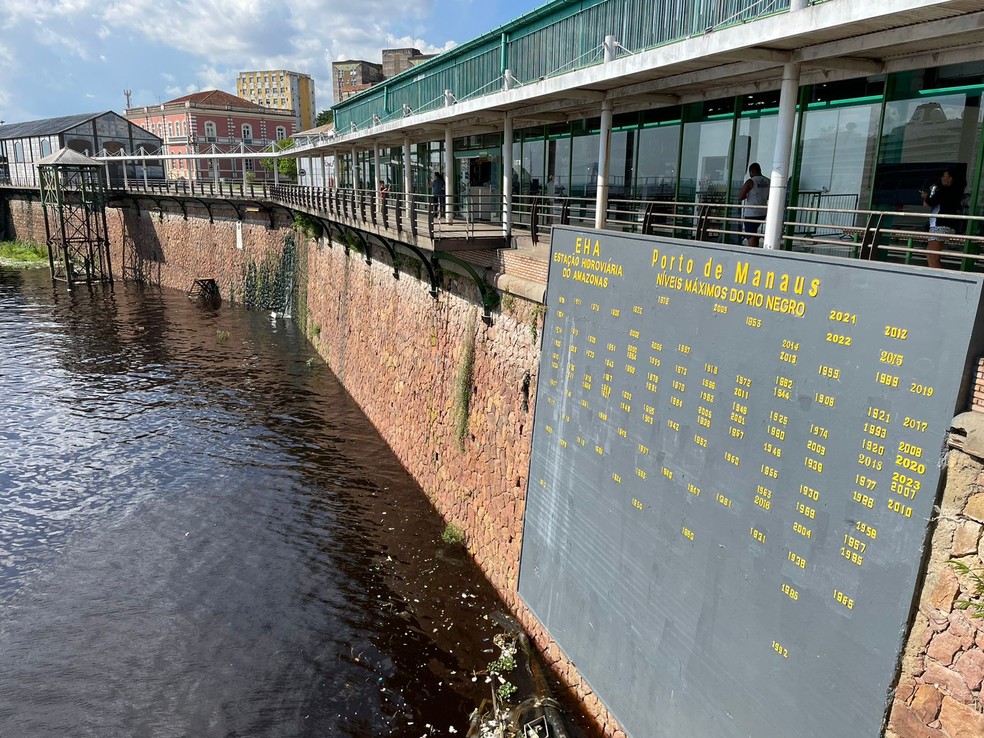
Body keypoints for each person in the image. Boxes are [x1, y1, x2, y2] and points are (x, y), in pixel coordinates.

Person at [920, 169, 965, 269]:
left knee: (932, 256)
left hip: (939, 225)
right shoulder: (956, 192)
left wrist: (926, 196)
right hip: (948, 226)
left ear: (950, 178)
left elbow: (929, 203)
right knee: (930, 253)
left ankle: (938, 278)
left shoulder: (943, 190)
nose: (942, 178)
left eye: (944, 176)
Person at [738, 162, 770, 247]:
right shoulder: (768, 181)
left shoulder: (750, 181)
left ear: (751, 171)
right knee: (754, 232)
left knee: (750, 234)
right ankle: (756, 246)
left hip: (751, 212)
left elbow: (741, 196)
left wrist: (747, 195)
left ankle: (752, 252)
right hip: (763, 211)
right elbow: (769, 196)